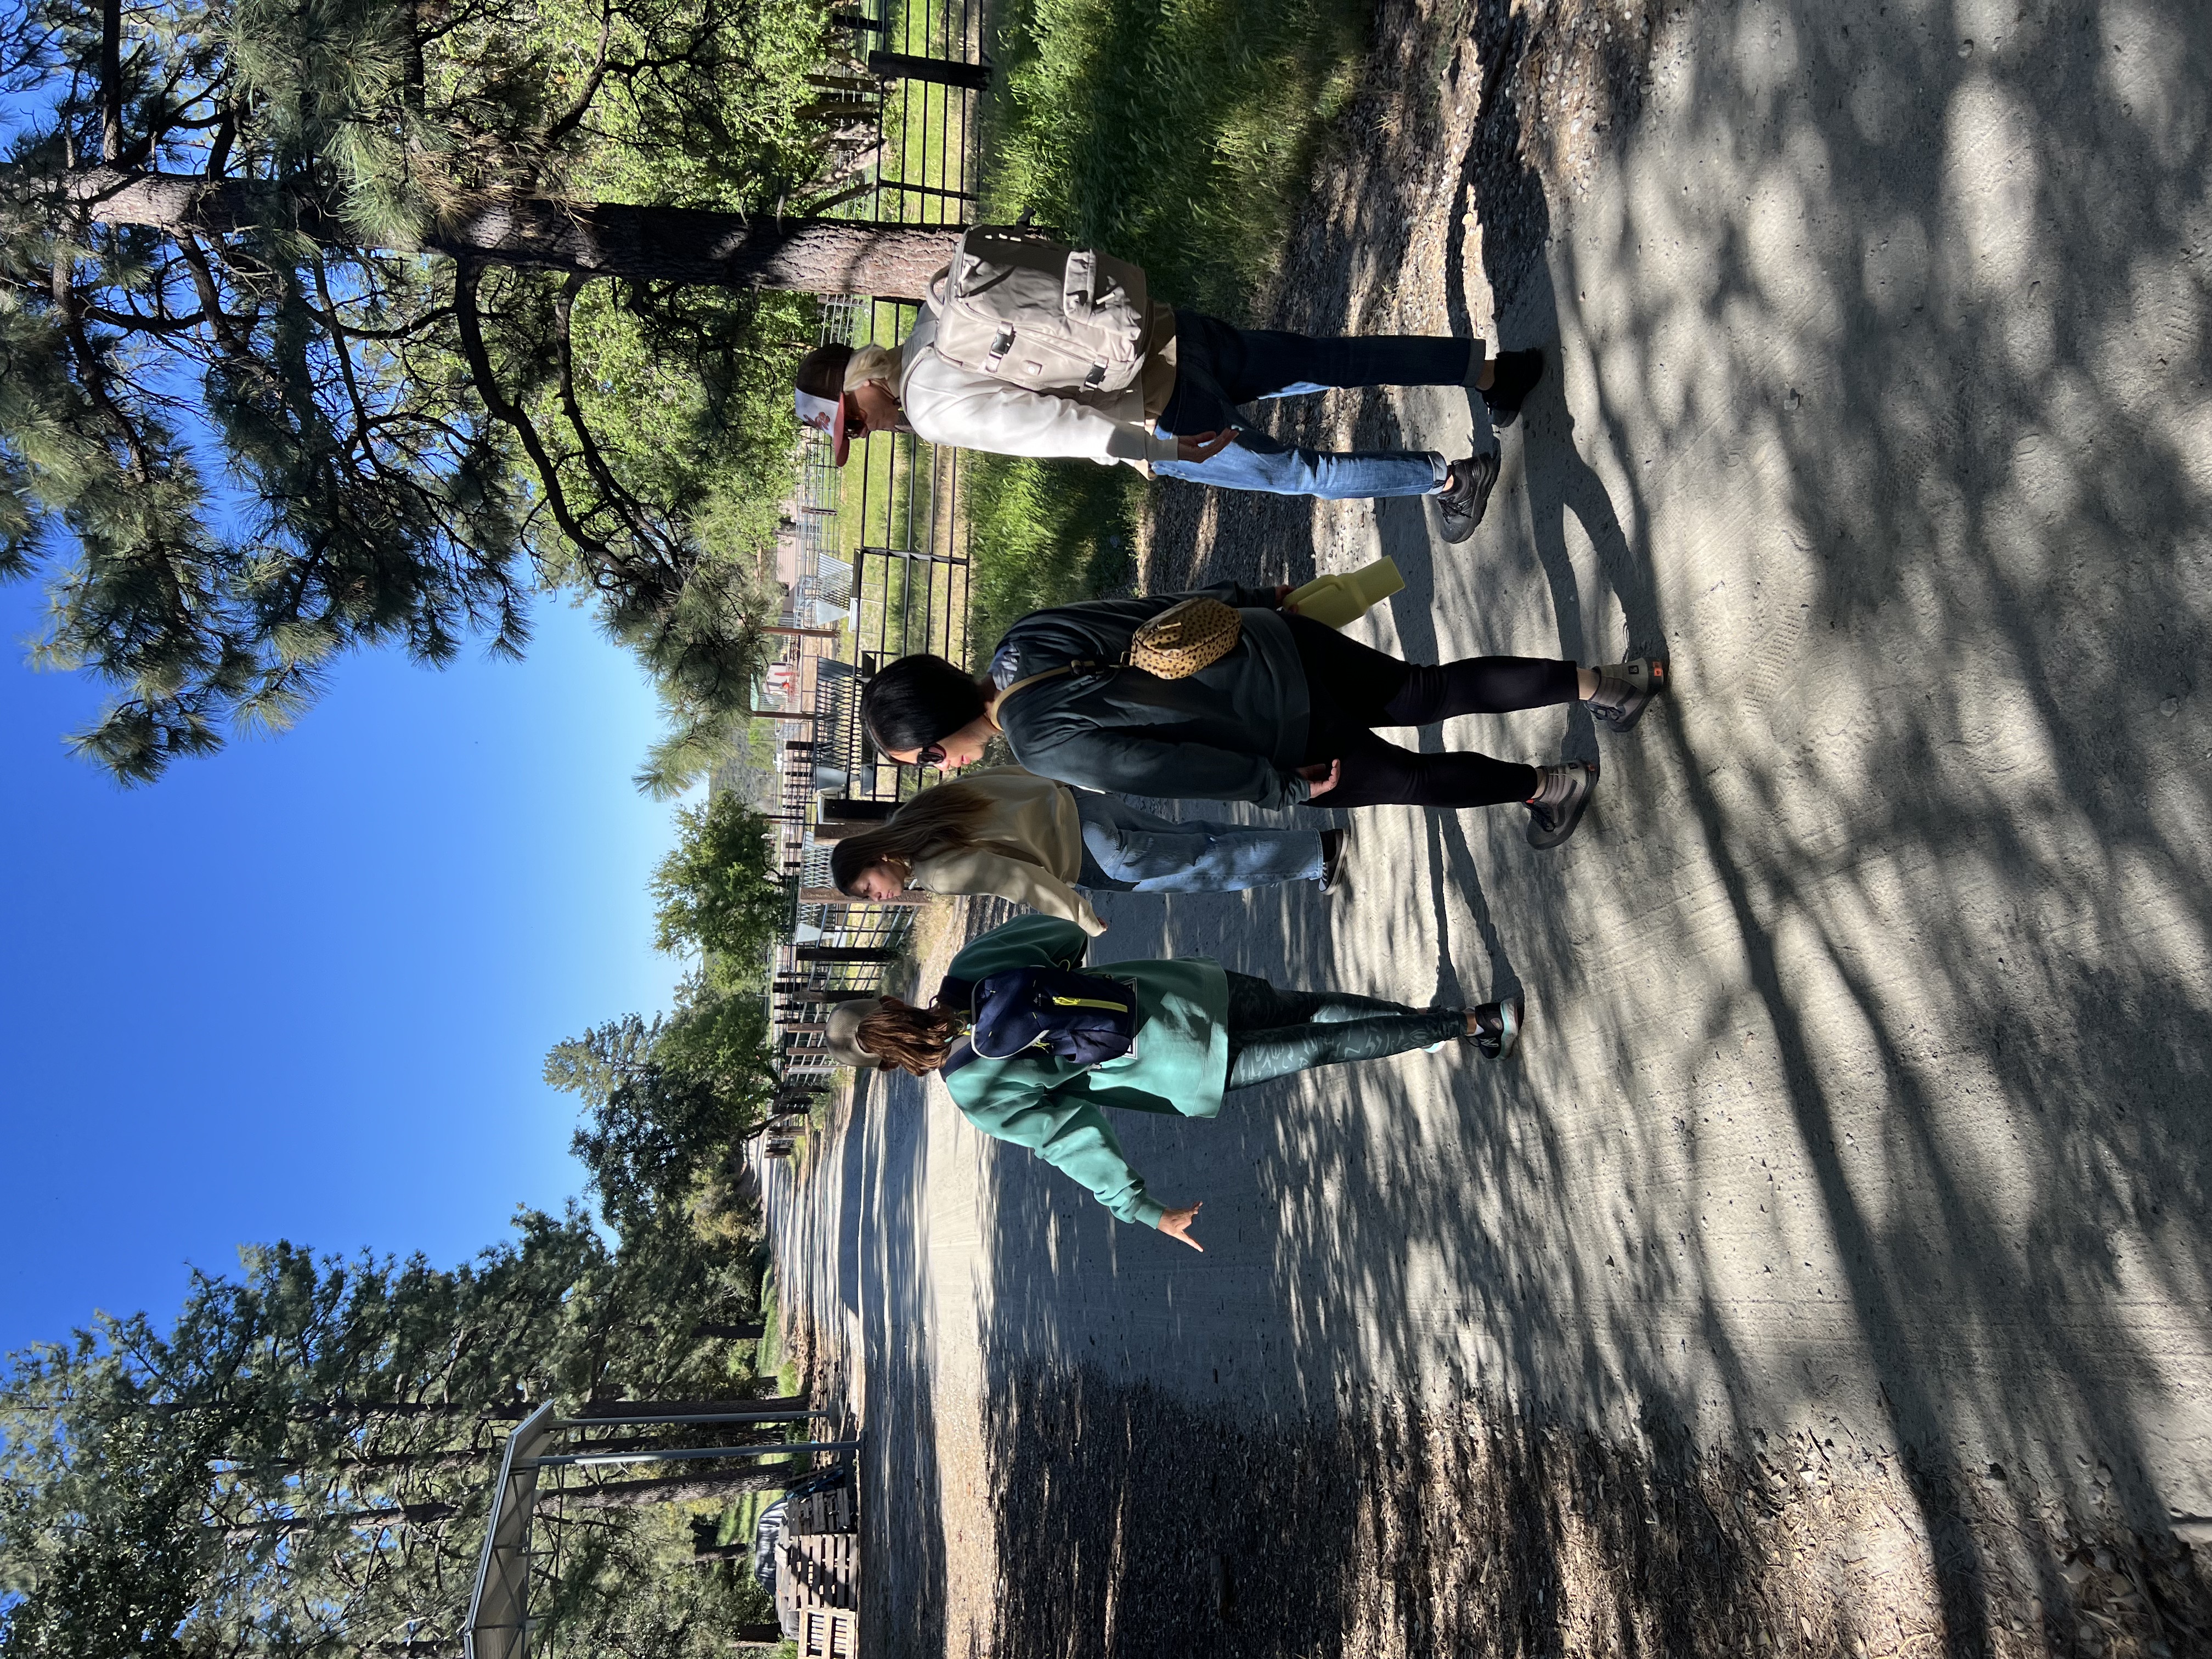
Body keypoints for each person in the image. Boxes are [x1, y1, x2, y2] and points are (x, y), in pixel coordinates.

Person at [823, 915, 1523, 1251]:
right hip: (1183, 991)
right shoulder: (972, 964)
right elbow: (1066, 937)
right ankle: (1457, 1021)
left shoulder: (976, 1091)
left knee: (1321, 1049)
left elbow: (1071, 1138)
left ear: (888, 1066)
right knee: (1307, 1008)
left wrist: (1144, 1209)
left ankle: (1464, 1026)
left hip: (1179, 1069)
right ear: (888, 1001)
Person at [858, 585, 1668, 850]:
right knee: (1428, 691)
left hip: (1281, 732)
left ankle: (1552, 786)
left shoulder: (1035, 741)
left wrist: (1276, 789)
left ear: (936, 733)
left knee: (1414, 779)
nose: (943, 768)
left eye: (927, 759)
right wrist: (1249, 598)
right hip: (1264, 639)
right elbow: (1151, 607)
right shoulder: (1024, 635)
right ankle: (1609, 683)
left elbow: (1161, 767)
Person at [794, 289, 1546, 543]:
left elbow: (1055, 428)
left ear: (860, 384)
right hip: (1166, 330)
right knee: (1328, 359)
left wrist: (1158, 453)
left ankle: (1452, 481)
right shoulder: (937, 309)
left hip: (1157, 407)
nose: (866, 432)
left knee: (1298, 473)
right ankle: (1492, 373)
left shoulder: (931, 404)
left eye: (852, 422)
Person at [828, 765, 1344, 933]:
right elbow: (1005, 774)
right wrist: (1064, 785)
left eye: (868, 888)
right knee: (1196, 840)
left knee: (1206, 866)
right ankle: (1314, 848)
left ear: (878, 858)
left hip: (1095, 858)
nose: (878, 899)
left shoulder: (936, 872)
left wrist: (1080, 916)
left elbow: (1017, 881)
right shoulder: (923, 808)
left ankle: (1316, 855)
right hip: (1083, 807)